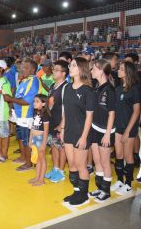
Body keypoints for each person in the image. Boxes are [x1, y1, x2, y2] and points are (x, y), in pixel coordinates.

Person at [60, 57, 94, 206]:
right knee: (72, 165)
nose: (70, 67)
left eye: (73, 65)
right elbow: (65, 112)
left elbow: (89, 116)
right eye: (70, 65)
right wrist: (62, 129)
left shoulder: (88, 90)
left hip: (81, 133)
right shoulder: (67, 87)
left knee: (81, 166)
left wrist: (84, 137)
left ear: (81, 69)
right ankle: (76, 192)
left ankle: (84, 195)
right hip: (68, 131)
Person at [4, 59, 40, 172]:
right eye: (22, 67)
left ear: (32, 69)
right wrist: (12, 107)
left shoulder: (33, 81)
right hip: (19, 115)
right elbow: (19, 96)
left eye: (25, 67)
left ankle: (29, 163)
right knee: (20, 137)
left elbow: (27, 101)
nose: (22, 69)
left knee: (27, 140)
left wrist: (10, 99)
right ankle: (24, 157)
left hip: (27, 115)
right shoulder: (24, 80)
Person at [111, 61, 141, 195]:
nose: (118, 70)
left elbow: (136, 111)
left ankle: (128, 183)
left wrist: (128, 131)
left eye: (121, 69)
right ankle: (119, 180)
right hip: (118, 126)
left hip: (129, 128)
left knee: (128, 155)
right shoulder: (117, 89)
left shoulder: (135, 89)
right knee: (118, 155)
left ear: (128, 72)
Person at [88, 59, 116, 202]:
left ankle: (106, 190)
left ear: (101, 70)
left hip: (105, 130)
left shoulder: (109, 90)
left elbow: (112, 114)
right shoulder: (97, 87)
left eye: (93, 69)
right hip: (95, 128)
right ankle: (99, 187)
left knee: (105, 162)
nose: (91, 71)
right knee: (97, 160)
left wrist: (107, 134)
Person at [45, 60, 69, 183]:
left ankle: (61, 171)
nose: (53, 71)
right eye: (53, 69)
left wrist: (62, 124)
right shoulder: (52, 86)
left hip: (60, 123)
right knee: (54, 145)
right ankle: (55, 168)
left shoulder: (66, 87)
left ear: (64, 73)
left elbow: (67, 107)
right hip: (52, 121)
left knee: (61, 147)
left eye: (56, 70)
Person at [28, 94, 50, 186]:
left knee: (42, 159)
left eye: (37, 101)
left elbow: (46, 130)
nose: (34, 103)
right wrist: (30, 139)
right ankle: (37, 177)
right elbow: (33, 128)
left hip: (41, 139)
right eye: (34, 101)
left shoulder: (45, 115)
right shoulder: (35, 113)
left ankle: (41, 180)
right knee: (37, 159)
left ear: (44, 104)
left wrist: (44, 143)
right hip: (35, 138)